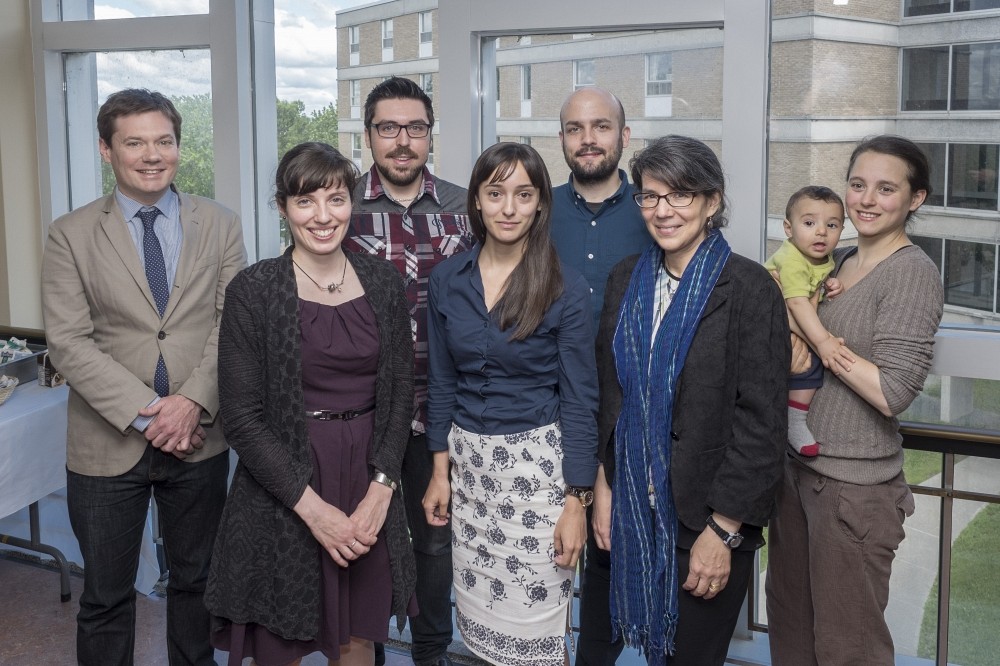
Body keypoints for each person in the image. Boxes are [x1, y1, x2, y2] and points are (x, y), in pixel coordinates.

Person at [40, 88, 247, 665]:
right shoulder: (71, 234)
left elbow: (232, 325)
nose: (153, 155)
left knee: (198, 584)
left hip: (199, 436)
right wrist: (149, 411)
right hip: (107, 443)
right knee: (106, 597)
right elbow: (68, 341)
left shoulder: (221, 224)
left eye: (164, 141)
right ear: (107, 150)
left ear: (179, 145)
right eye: (135, 142)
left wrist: (190, 403)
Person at [204, 142, 416, 666]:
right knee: (280, 641)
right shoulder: (253, 291)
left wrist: (380, 491)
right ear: (282, 208)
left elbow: (399, 396)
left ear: (353, 203)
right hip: (285, 487)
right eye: (305, 202)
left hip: (366, 478)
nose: (323, 217)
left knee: (358, 638)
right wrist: (314, 511)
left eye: (337, 200)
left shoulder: (385, 283)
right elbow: (243, 419)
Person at [596, 135, 788, 665]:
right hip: (632, 505)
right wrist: (604, 484)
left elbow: (762, 424)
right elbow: (611, 395)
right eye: (650, 196)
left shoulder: (749, 288)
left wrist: (723, 533)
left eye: (679, 195)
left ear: (712, 202)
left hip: (705, 517)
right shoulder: (624, 280)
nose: (663, 211)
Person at [766, 135, 945, 666]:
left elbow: (893, 392)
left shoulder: (912, 274)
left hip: (855, 492)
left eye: (886, 188)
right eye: (859, 185)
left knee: (849, 648)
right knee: (791, 633)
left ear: (915, 200)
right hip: (797, 473)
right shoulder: (834, 259)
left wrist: (820, 344)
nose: (866, 199)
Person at [422, 142, 598, 666]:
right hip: (471, 479)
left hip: (537, 482)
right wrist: (438, 471)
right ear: (476, 200)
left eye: (523, 195)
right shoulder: (446, 280)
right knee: (478, 633)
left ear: (541, 204)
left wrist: (576, 503)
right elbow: (440, 380)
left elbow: (581, 401)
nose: (508, 207)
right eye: (495, 193)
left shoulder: (566, 288)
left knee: (534, 641)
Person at [343, 76, 472, 666]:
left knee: (434, 543)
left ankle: (431, 653)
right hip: (363, 409)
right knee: (359, 542)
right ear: (368, 135)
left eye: (415, 128)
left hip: (442, 407)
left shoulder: (463, 206)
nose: (402, 141)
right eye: (388, 128)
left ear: (429, 135)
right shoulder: (340, 205)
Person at [548, 86, 650, 666]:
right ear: (562, 139)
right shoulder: (536, 210)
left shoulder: (655, 210)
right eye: (575, 128)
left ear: (624, 136)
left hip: (626, 416)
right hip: (544, 410)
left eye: (601, 126)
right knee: (542, 557)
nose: (588, 138)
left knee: (610, 562)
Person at [763, 186, 851, 457]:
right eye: (810, 223)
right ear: (788, 229)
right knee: (809, 364)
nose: (822, 231)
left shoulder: (821, 259)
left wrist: (830, 284)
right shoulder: (792, 260)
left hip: (781, 321)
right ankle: (794, 421)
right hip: (764, 325)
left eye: (832, 224)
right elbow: (798, 302)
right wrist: (823, 342)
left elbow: (813, 288)